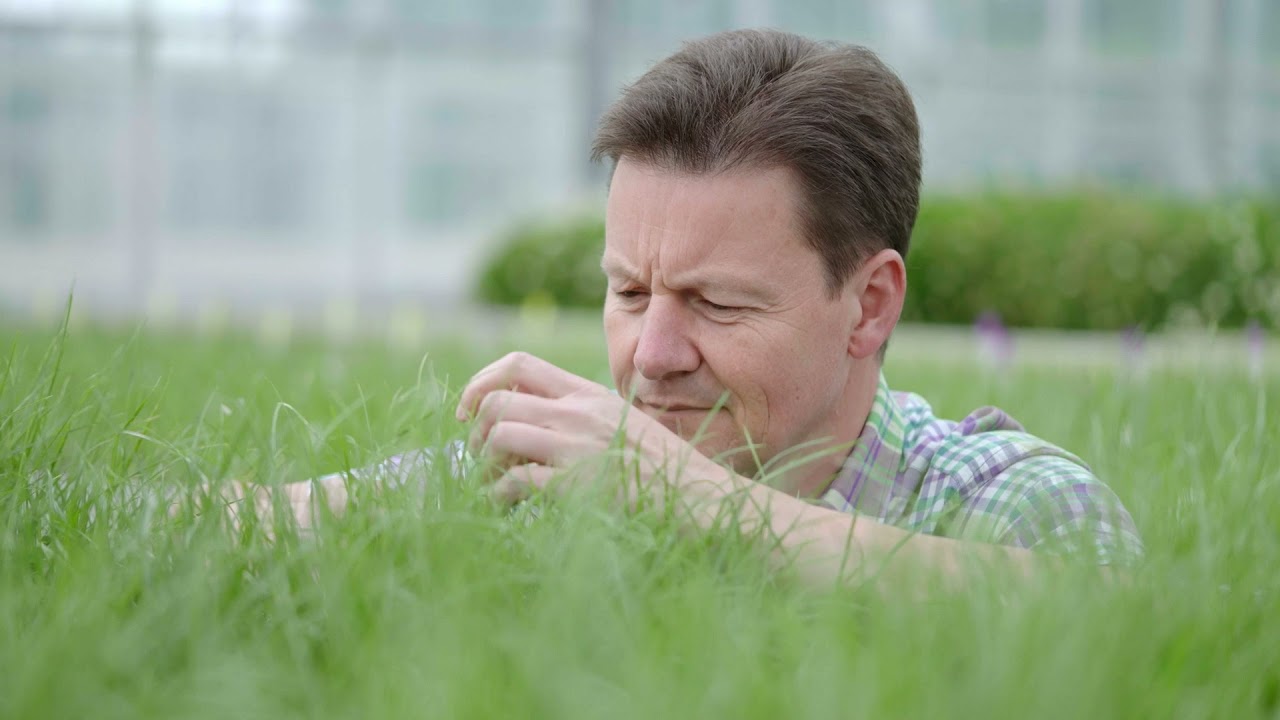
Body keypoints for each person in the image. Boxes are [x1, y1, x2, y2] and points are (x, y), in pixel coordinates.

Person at [220, 29, 1142, 585]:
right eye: (629, 292)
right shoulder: (552, 474)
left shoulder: (996, 495)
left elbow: (1115, 619)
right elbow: (220, 522)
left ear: (869, 306)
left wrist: (695, 502)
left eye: (717, 302)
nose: (651, 355)